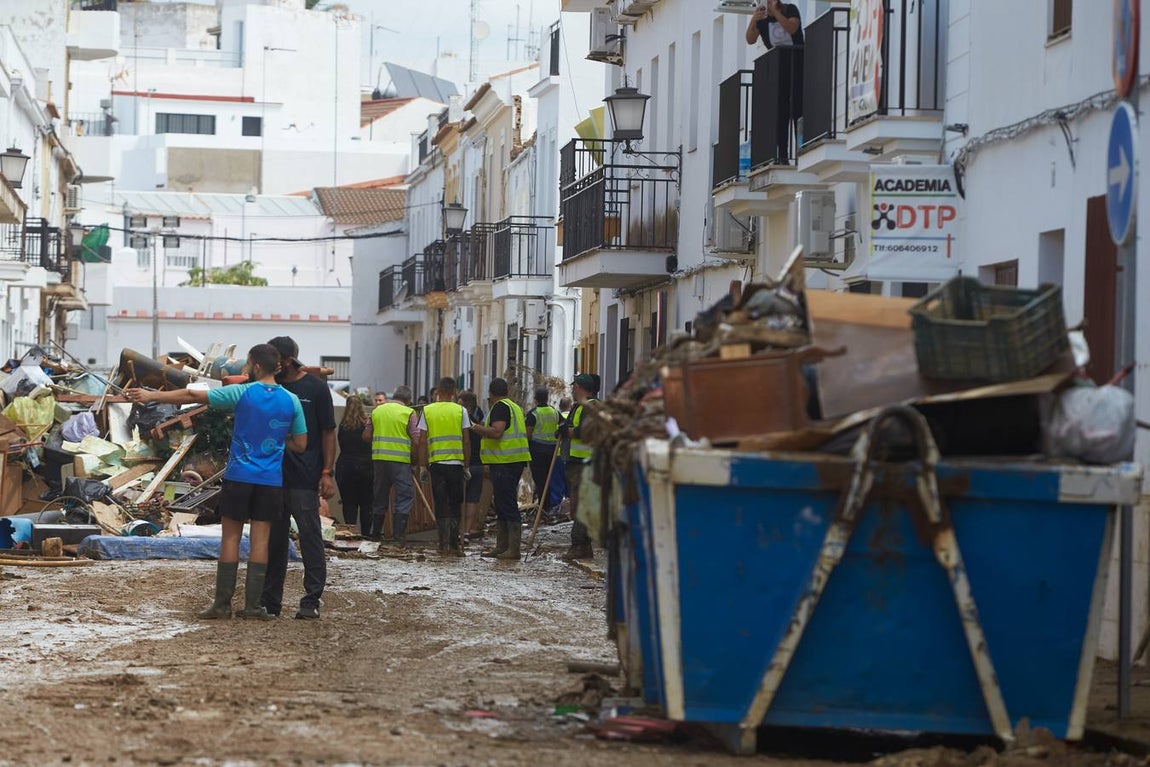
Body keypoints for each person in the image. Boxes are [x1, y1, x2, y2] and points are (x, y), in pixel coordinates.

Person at [125, 344, 307, 620]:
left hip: (239, 476)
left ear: (256, 365)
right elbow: (301, 444)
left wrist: (154, 394)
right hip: (270, 479)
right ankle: (253, 606)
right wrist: (275, 443)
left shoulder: (242, 393)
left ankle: (222, 605)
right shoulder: (291, 401)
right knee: (260, 541)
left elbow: (191, 394)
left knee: (230, 539)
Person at [262, 336, 336, 621]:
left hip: (304, 478)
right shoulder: (269, 386)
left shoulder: (315, 388)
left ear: (288, 360)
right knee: (274, 541)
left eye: (275, 358)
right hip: (271, 477)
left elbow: (329, 432)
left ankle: (311, 599)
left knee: (310, 538)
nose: (272, 364)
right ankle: (270, 602)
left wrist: (327, 473)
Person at [470, 378, 530, 561]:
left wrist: (475, 427)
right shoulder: (514, 407)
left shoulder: (500, 407)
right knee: (503, 504)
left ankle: (512, 548)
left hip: (506, 462)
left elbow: (497, 432)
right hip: (512, 460)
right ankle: (502, 546)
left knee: (507, 504)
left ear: (490, 394)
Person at [415, 377, 471, 556]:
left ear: (438, 391)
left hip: (436, 464)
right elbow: (467, 440)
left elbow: (422, 441)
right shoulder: (461, 411)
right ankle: (454, 544)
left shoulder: (428, 411)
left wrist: (423, 466)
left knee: (440, 502)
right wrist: (467, 466)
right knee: (455, 503)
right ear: (454, 392)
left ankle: (442, 543)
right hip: (456, 464)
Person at [745, 0, 804, 163]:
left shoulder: (790, 9)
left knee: (798, 108)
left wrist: (776, 13)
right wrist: (754, 19)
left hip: (798, 65)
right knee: (781, 112)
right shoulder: (762, 19)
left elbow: (793, 28)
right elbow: (750, 39)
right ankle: (782, 155)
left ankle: (802, 149)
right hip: (779, 69)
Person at [365, 384, 419, 545]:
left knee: (380, 495)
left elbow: (366, 436)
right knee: (404, 496)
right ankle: (398, 536)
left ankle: (376, 534)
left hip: (379, 460)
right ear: (408, 400)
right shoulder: (409, 412)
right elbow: (416, 440)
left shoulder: (377, 411)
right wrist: (415, 460)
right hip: (400, 462)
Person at [560, 373, 600, 561]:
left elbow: (585, 431)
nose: (572, 390)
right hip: (576, 461)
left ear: (581, 387)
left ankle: (578, 544)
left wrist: (567, 431)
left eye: (574, 386)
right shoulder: (578, 407)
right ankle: (584, 546)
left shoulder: (591, 407)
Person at [335, 395, 373, 536]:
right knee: (366, 503)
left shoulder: (343, 426)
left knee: (349, 503)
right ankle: (366, 535)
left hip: (346, 466)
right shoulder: (366, 424)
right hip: (366, 466)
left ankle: (350, 533)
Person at [525, 386, 563, 514]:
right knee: (548, 478)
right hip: (552, 450)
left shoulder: (533, 413)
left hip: (537, 450)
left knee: (540, 479)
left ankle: (543, 506)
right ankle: (547, 506)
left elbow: (528, 434)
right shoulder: (554, 412)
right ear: (547, 398)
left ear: (535, 399)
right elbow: (563, 426)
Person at [459, 390, 487, 540]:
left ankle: (460, 531)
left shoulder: (461, 423)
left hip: (465, 465)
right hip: (479, 465)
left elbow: (465, 443)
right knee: (473, 499)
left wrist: (465, 465)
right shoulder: (479, 424)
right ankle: (467, 531)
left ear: (466, 407)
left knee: (461, 499)